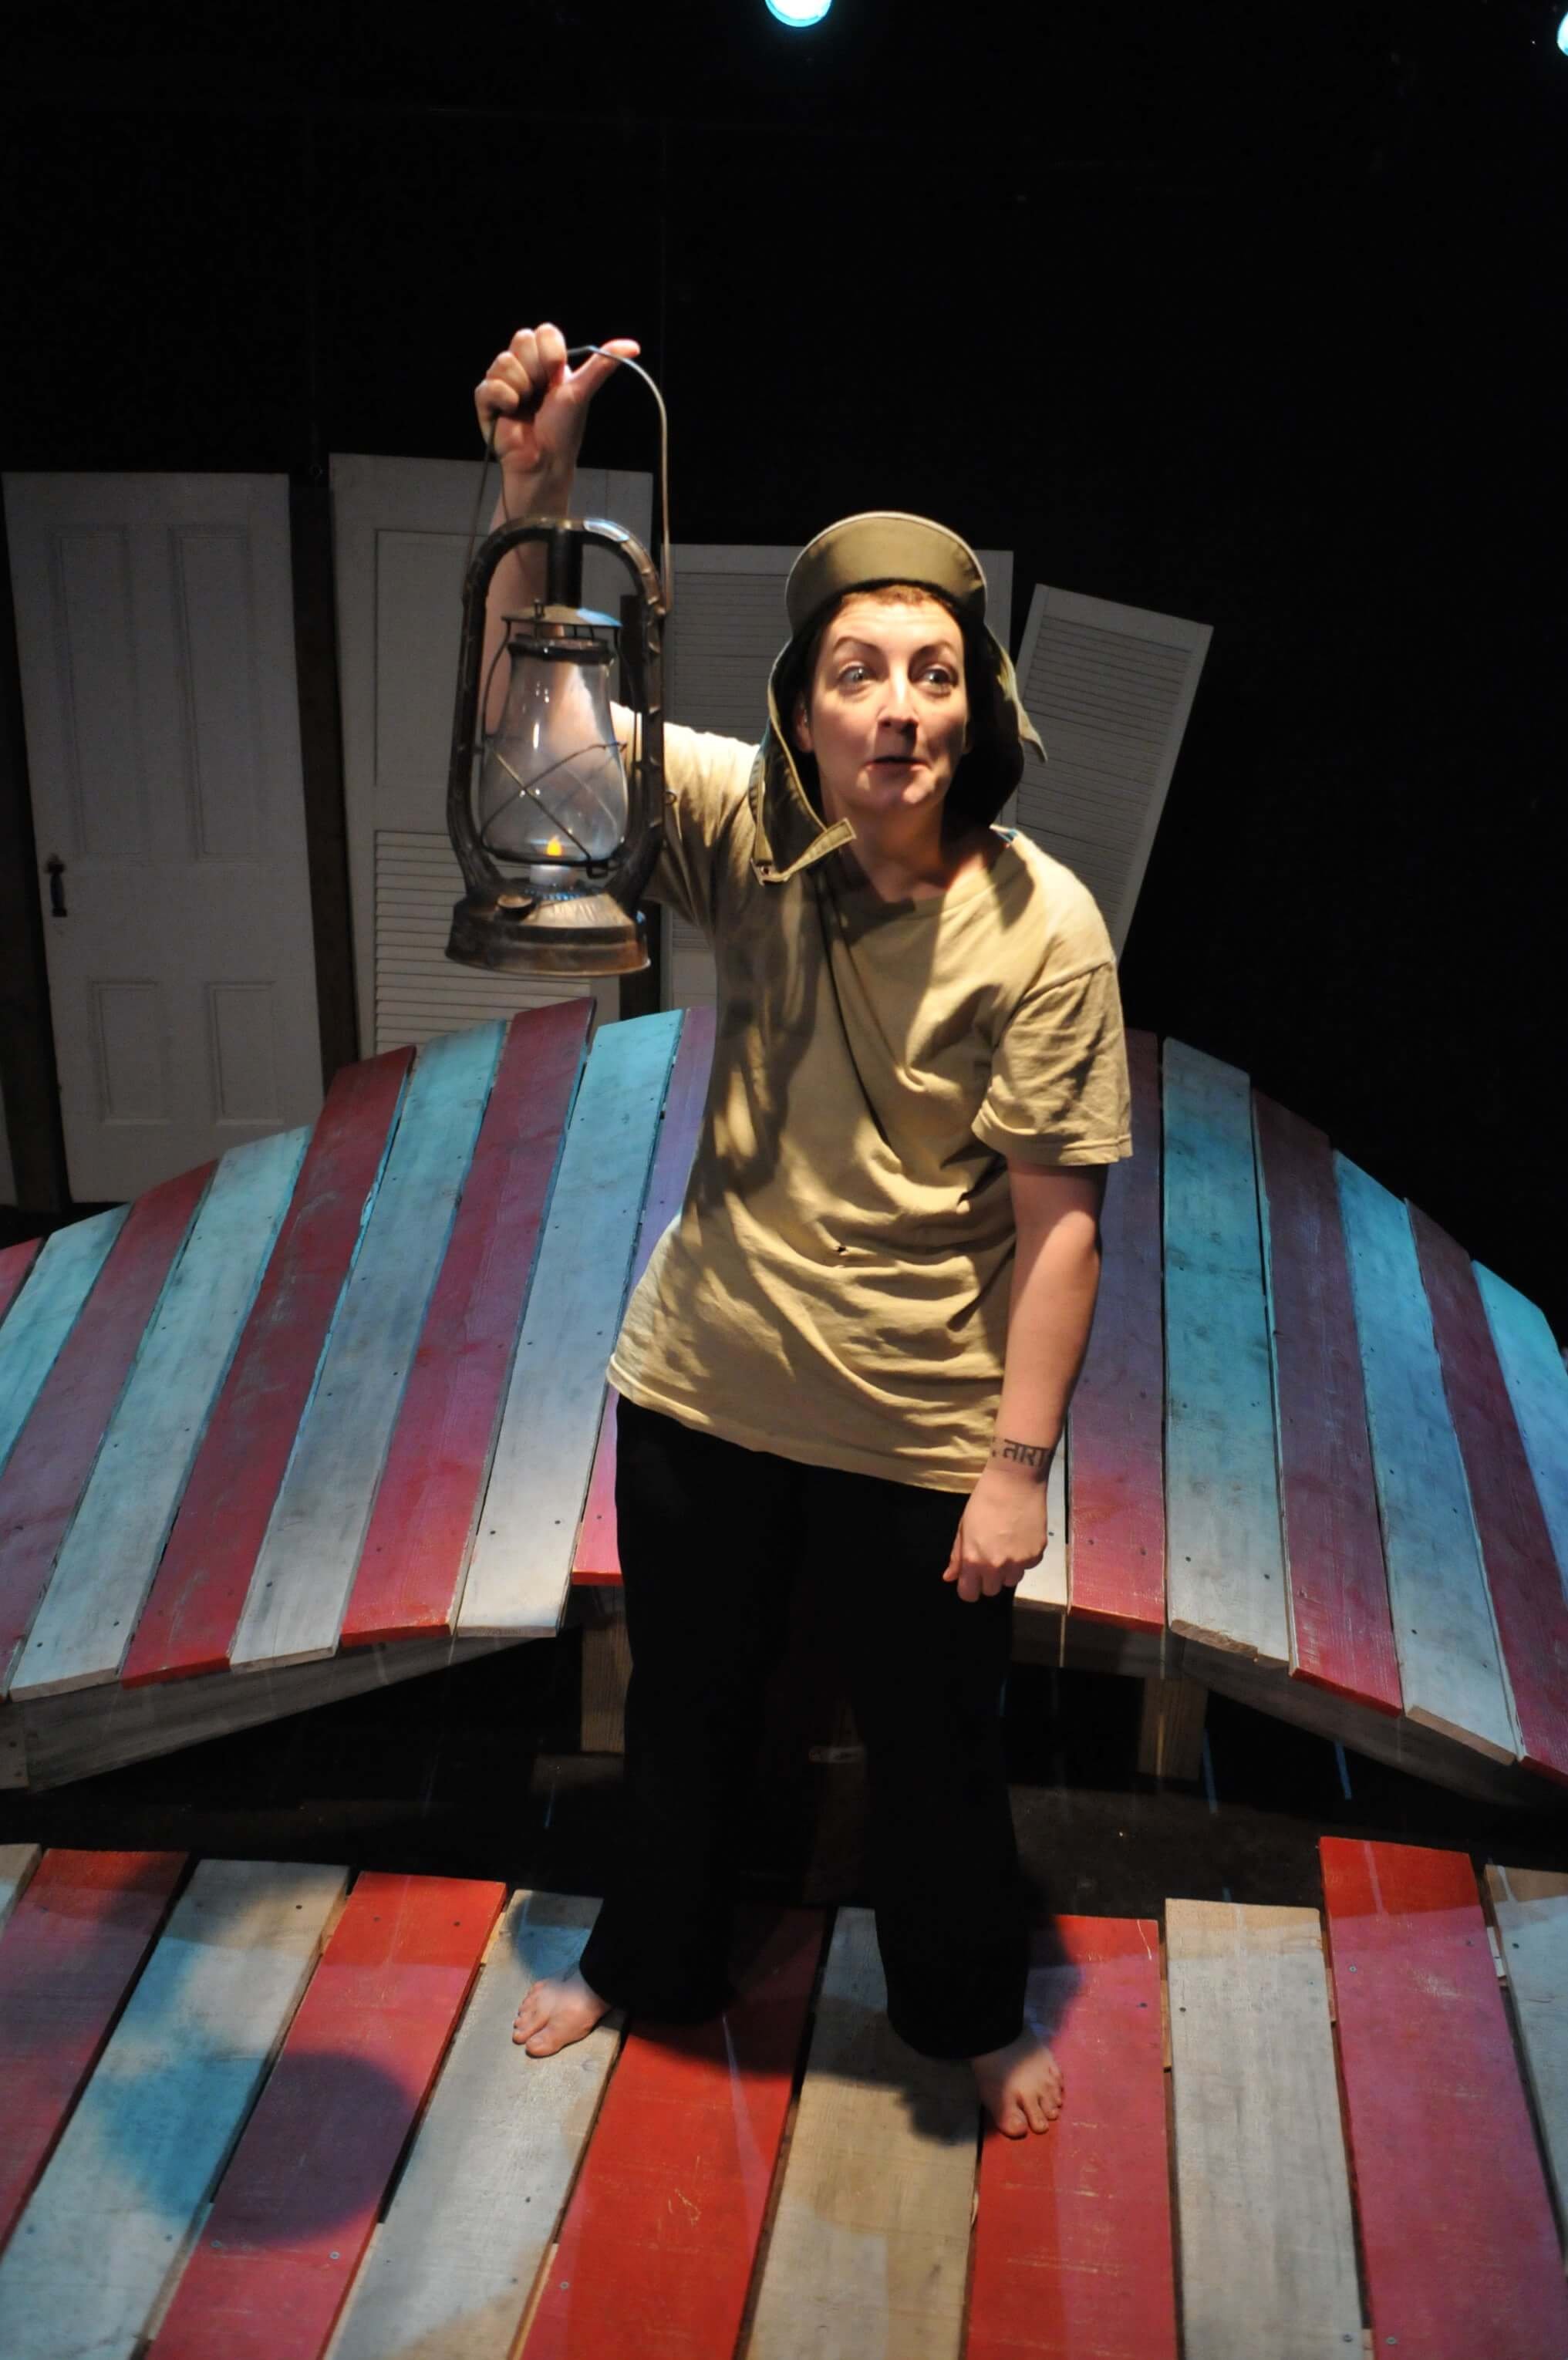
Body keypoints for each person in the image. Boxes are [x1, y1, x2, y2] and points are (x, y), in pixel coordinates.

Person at [477, 324, 1131, 2139]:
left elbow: (1060, 1232)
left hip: (920, 1427)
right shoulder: (742, 825)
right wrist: (533, 501)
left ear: (979, 697)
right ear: (807, 700)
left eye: (933, 668)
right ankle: (648, 1970)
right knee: (682, 1719)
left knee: (940, 1764)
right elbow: (541, 740)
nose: (899, 707)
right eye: (860, 672)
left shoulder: (1044, 926)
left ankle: (963, 2015)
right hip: (702, 1389)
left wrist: (1015, 1470)